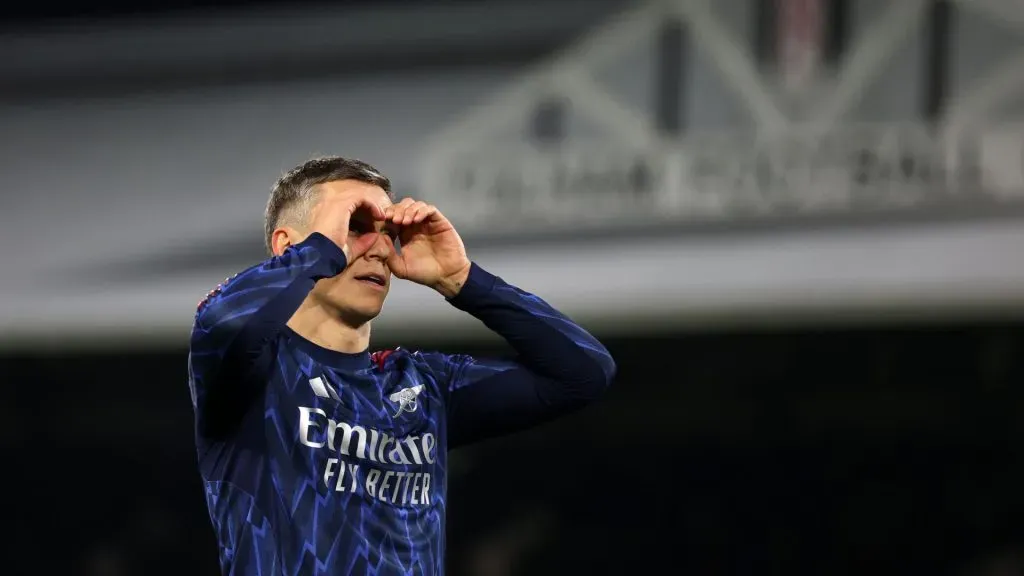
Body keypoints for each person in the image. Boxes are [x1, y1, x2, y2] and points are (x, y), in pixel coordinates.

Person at [187, 156, 616, 576]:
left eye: (388, 234)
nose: (379, 249)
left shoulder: (425, 388)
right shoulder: (253, 374)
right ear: (288, 246)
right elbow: (224, 322)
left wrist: (462, 279)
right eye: (355, 227)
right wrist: (319, 251)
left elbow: (584, 371)